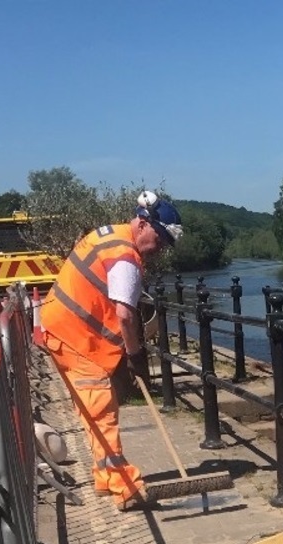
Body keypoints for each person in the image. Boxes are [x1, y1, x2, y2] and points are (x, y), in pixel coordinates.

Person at [40, 191, 183, 511]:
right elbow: (124, 314)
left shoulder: (110, 236)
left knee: (93, 412)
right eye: (158, 241)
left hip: (62, 329)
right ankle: (125, 486)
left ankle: (104, 475)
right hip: (78, 339)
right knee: (102, 411)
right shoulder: (126, 258)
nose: (158, 250)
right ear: (144, 224)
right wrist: (136, 357)